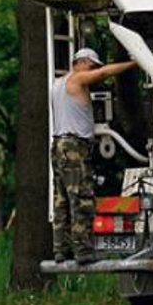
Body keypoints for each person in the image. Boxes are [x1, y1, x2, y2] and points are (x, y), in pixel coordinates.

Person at [51, 48, 138, 264]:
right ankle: (83, 250)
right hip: (73, 147)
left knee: (61, 200)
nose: (94, 70)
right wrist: (135, 63)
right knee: (81, 198)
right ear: (80, 62)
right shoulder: (77, 79)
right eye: (91, 65)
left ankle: (61, 249)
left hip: (59, 146)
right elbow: (104, 74)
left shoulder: (57, 84)